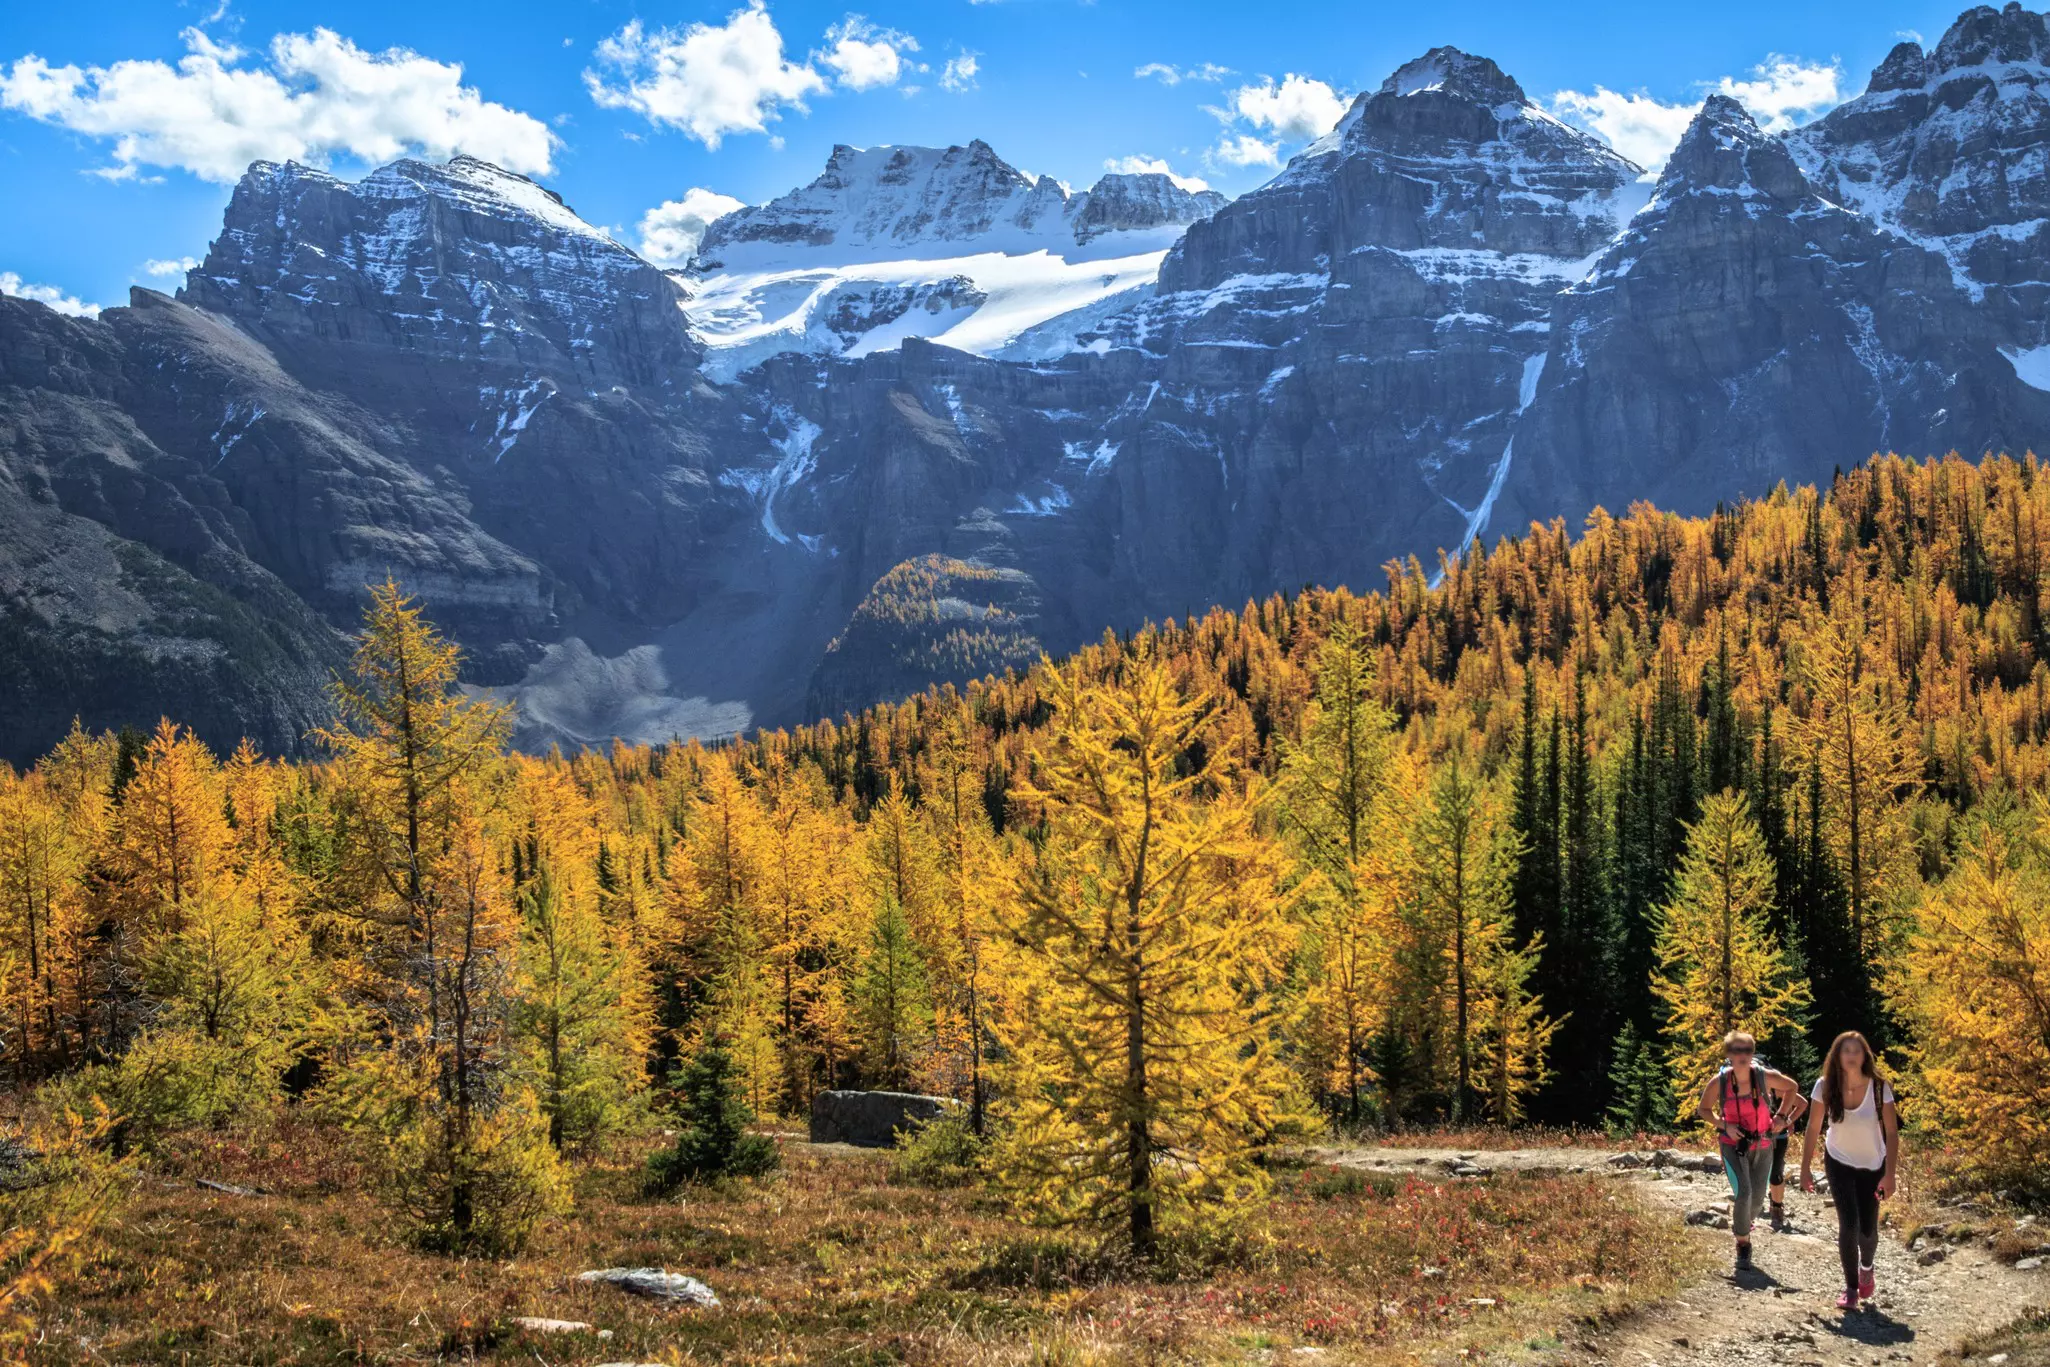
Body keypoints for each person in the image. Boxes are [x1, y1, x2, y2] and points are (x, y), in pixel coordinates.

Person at [1800, 1030, 1900, 1311]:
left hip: (1872, 1164)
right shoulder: (1825, 1086)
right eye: (1846, 1051)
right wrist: (1805, 1167)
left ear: (1864, 1055)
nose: (1852, 1056)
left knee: (1868, 1231)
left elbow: (1892, 1133)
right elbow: (1813, 1127)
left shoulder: (1880, 1088)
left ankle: (1866, 1266)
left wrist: (1889, 1174)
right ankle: (1851, 1288)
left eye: (1857, 1051)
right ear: (1837, 1056)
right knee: (1849, 1224)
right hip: (1838, 1160)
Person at [1695, 1030, 1805, 1272]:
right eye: (1736, 1050)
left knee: (1756, 1201)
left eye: (1746, 1050)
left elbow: (1792, 1087)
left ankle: (1746, 1223)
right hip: (1733, 1145)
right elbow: (1703, 1110)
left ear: (1752, 1052)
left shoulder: (1764, 1076)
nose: (1742, 1055)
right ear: (1729, 1054)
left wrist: (1781, 1117)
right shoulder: (1719, 1082)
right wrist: (1726, 1125)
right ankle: (1743, 1243)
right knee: (1744, 1194)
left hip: (1764, 1144)